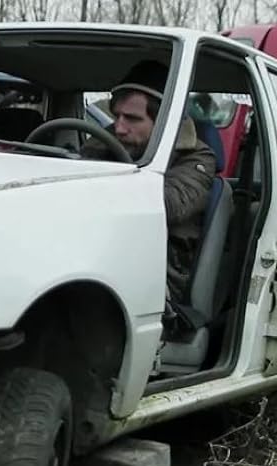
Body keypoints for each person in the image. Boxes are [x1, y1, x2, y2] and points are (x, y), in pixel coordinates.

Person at [82, 60, 217, 303]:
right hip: (92, 249)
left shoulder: (197, 158)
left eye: (132, 119)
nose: (119, 128)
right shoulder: (103, 141)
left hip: (161, 271)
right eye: (117, 116)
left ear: (164, 120)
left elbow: (168, 204)